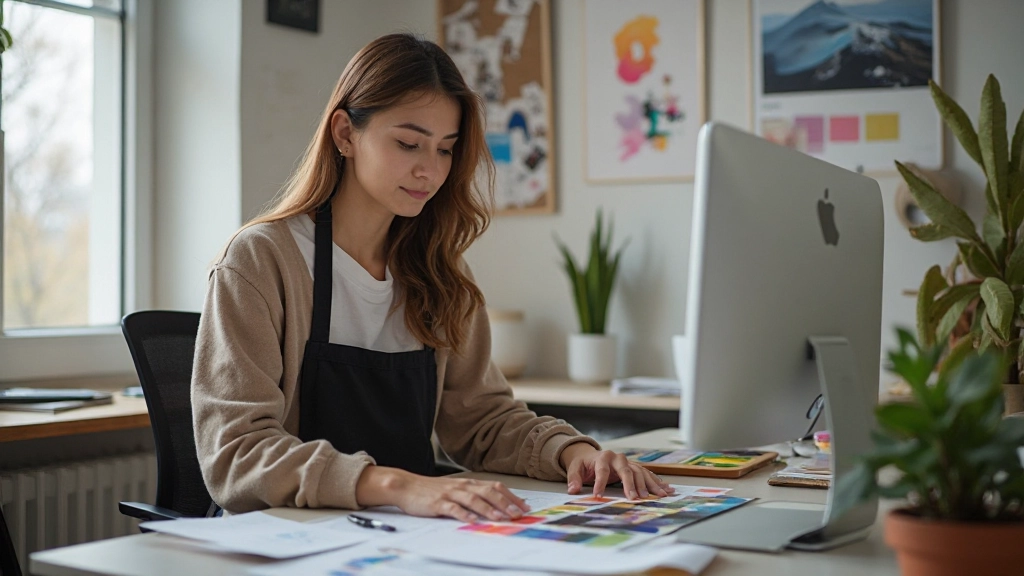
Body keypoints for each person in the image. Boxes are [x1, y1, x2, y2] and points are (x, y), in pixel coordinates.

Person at [191, 33, 672, 523]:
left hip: (409, 532)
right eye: (408, 143)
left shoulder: (439, 270)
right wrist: (397, 485)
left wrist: (573, 454)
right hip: (290, 538)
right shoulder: (261, 260)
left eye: (446, 149)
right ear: (344, 134)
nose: (430, 170)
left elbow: (482, 420)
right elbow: (236, 454)